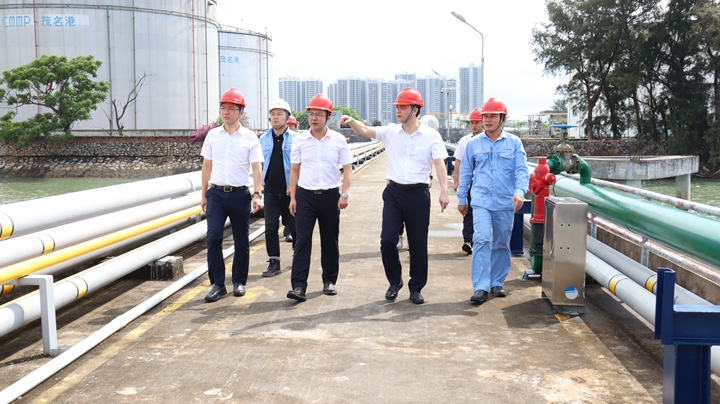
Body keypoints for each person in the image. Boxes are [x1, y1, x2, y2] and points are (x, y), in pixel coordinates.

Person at [340, 88, 449, 305]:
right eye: (397, 107)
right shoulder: (390, 131)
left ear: (415, 110)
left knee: (418, 244)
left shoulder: (431, 135)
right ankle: (394, 281)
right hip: (394, 193)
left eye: (403, 107)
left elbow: (439, 163)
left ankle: (416, 287)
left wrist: (444, 191)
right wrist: (352, 121)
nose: (398, 110)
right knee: (387, 241)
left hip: (418, 194)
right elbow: (365, 130)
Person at [456, 98, 529, 303]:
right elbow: (466, 172)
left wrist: (519, 192)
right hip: (481, 201)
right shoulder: (473, 144)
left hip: (505, 201)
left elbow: (522, 170)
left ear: (502, 119)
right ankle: (480, 286)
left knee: (501, 242)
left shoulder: (514, 143)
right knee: (481, 239)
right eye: (485, 116)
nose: (487, 120)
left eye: (492, 116)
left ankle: (496, 282)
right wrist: (462, 197)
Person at [286, 94, 353, 302]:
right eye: (311, 114)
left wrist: (344, 194)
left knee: (330, 240)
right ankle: (298, 286)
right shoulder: (300, 140)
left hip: (330, 197)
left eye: (319, 114)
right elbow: (294, 170)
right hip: (305, 196)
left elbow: (348, 169)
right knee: (302, 240)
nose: (314, 118)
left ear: (328, 117)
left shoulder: (338, 140)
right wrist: (293, 197)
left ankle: (329, 280)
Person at [200, 88, 264, 303]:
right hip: (216, 194)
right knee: (213, 238)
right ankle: (218, 284)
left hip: (240, 194)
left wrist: (257, 194)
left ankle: (239, 281)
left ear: (241, 111)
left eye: (231, 108)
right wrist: (204, 194)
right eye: (223, 108)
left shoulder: (249, 137)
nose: (226, 112)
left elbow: (256, 167)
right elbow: (206, 166)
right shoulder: (212, 135)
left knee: (241, 240)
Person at [259, 99, 296, 277]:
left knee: (295, 227)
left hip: (291, 191)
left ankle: (298, 257)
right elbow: (258, 165)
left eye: (280, 114)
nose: (275, 117)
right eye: (273, 114)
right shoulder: (263, 139)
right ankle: (274, 262)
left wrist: (295, 186)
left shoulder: (296, 139)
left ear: (287, 117)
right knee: (270, 227)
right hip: (270, 190)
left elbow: (302, 165)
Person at [453, 107, 483, 256]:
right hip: (470, 181)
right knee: (468, 211)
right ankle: (468, 240)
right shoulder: (465, 141)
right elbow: (458, 162)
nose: (474, 125)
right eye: (472, 122)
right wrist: (456, 181)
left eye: (477, 122)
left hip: (484, 182)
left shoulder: (488, 141)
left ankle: (481, 240)